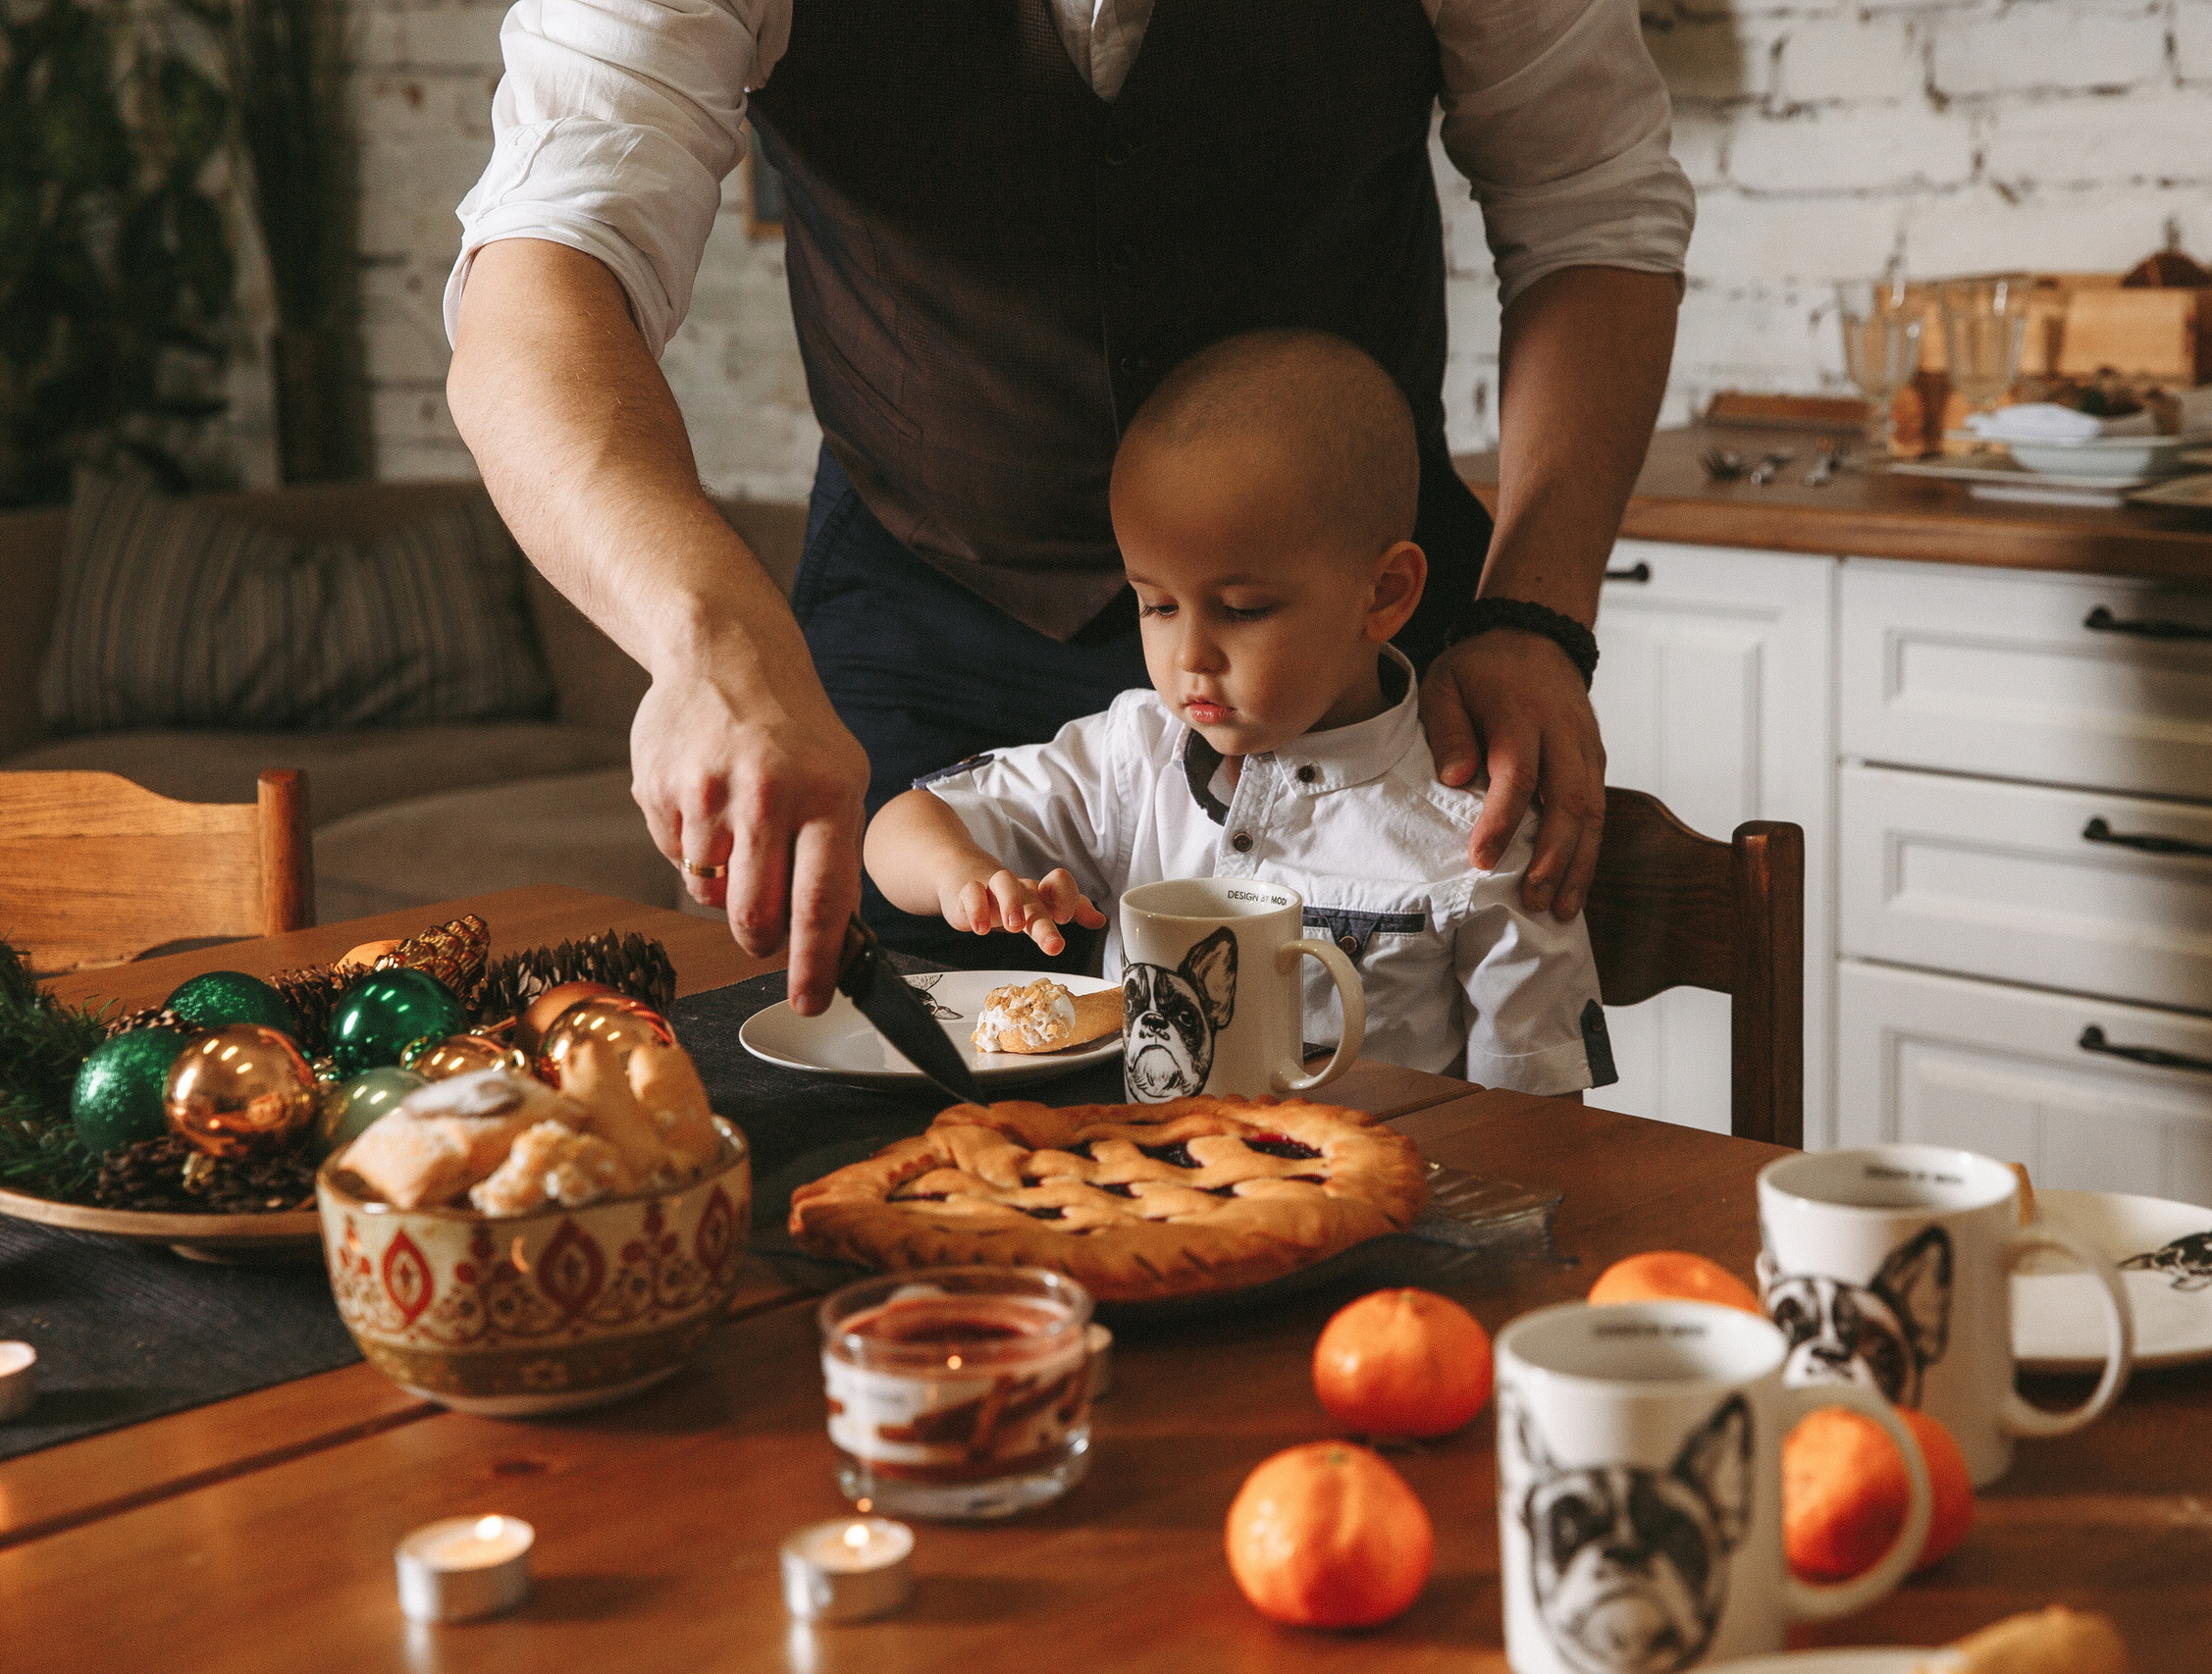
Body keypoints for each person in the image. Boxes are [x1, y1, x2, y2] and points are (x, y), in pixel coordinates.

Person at [443, 0, 1693, 1012]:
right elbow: (544, 270)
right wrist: (704, 638)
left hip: (1341, 628)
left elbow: (1591, 202)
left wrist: (1536, 611)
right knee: (894, 1148)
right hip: (919, 598)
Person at [864, 331, 1611, 1097]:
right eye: (1155, 604)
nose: (1191, 654)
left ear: (1385, 593)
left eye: (1242, 609)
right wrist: (968, 878)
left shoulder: (1476, 819)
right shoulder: (1134, 754)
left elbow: (1539, 1112)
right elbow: (900, 826)